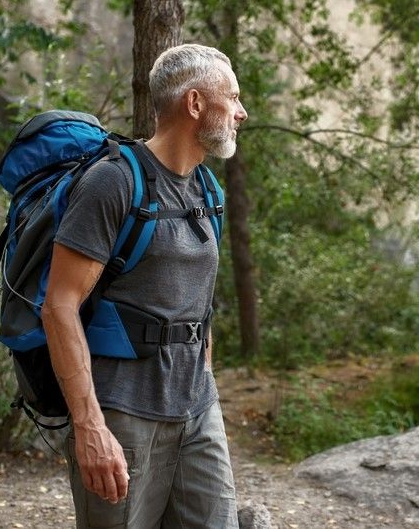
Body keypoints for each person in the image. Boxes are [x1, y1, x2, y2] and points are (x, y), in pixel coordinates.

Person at [41, 43, 247, 528]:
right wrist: (89, 425)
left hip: (198, 410)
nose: (241, 113)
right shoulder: (112, 184)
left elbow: (201, 308)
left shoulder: (206, 190)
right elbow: (59, 306)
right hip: (123, 413)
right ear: (195, 104)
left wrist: (207, 393)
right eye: (232, 98)